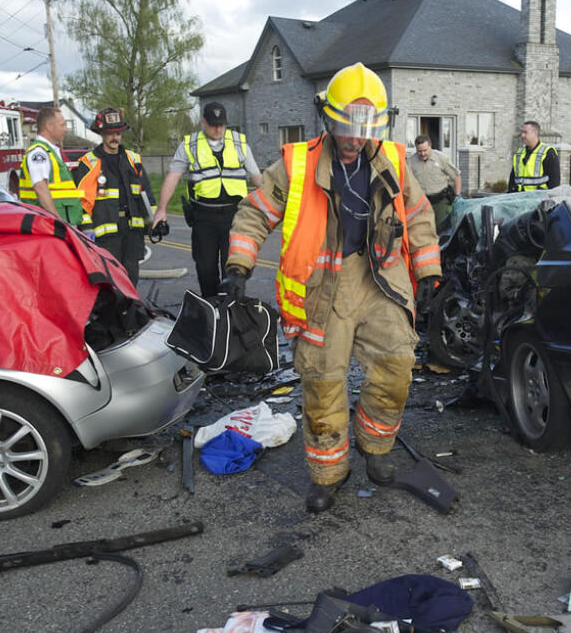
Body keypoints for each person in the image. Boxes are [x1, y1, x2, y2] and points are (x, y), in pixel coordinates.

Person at [223, 62, 441, 513]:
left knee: (398, 366)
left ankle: (376, 451)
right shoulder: (296, 164)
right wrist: (239, 266)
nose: (355, 137)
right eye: (347, 125)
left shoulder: (393, 160)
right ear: (328, 118)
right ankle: (328, 473)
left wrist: (428, 273)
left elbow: (419, 215)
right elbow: (254, 213)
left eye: (365, 126)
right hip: (322, 289)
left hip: (378, 278)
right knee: (323, 384)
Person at [152, 101, 261, 297]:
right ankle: (212, 312)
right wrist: (162, 210)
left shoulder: (239, 142)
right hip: (204, 217)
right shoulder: (189, 145)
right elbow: (172, 177)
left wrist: (278, 206)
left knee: (234, 269)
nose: (218, 128)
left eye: (221, 124)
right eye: (212, 124)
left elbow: (258, 178)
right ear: (203, 122)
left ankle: (232, 315)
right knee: (206, 269)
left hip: (234, 216)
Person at [73, 107, 153, 282]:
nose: (115, 137)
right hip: (105, 236)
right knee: (111, 283)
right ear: (101, 134)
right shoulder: (89, 163)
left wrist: (154, 222)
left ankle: (130, 310)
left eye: (118, 132)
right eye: (110, 133)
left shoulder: (133, 160)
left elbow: (146, 195)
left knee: (131, 279)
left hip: (132, 231)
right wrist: (86, 229)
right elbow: (80, 201)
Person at [19, 106, 83, 224]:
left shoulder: (49, 151)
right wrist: (58, 222)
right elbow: (41, 188)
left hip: (59, 223)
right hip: (51, 225)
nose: (66, 129)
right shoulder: (39, 153)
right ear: (50, 127)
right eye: (62, 125)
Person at [407, 134, 461, 228]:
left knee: (442, 228)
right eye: (419, 151)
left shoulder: (441, 158)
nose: (422, 153)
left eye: (425, 150)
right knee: (423, 229)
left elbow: (456, 176)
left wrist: (457, 196)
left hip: (440, 200)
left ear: (430, 146)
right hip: (422, 202)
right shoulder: (411, 161)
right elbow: (407, 182)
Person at [506, 120, 560, 192]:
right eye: (522, 132)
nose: (522, 135)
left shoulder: (548, 153)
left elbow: (554, 184)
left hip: (539, 200)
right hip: (520, 199)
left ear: (535, 133)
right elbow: (513, 181)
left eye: (525, 132)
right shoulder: (519, 153)